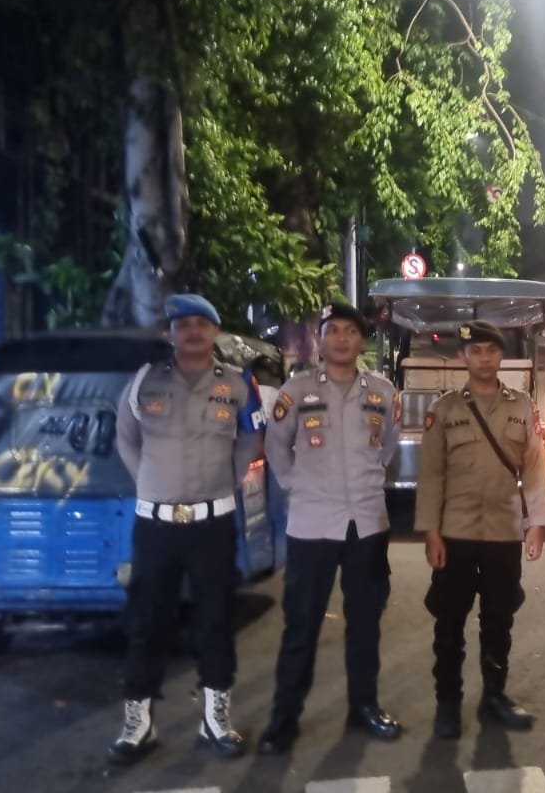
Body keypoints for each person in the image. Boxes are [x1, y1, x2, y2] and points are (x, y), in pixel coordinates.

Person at [108, 293, 265, 765]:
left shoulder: (238, 384)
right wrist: (149, 482)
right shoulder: (145, 380)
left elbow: (252, 435)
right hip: (155, 527)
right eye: (183, 324)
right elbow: (125, 437)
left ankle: (215, 718)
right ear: (170, 333)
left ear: (215, 331)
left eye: (202, 323)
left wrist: (231, 478)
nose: (193, 331)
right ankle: (138, 723)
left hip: (211, 525)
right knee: (146, 621)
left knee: (215, 620)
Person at [258, 300, 402, 754]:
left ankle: (365, 707)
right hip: (312, 525)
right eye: (332, 330)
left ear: (362, 341)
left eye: (350, 331)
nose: (341, 338)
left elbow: (387, 448)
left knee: (366, 624)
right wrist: (299, 487)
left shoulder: (383, 392)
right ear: (320, 340)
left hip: (367, 524)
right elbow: (276, 448)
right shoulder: (296, 391)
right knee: (301, 627)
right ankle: (283, 720)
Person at [415, 321, 545, 739]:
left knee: (498, 621)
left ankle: (494, 696)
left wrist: (537, 523)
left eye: (491, 350)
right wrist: (431, 532)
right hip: (455, 532)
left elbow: (534, 468)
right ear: (463, 357)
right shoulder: (445, 409)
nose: (484, 358)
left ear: (501, 356)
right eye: (475, 351)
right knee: (449, 622)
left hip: (503, 533)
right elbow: (431, 474)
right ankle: (447, 702)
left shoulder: (522, 405)